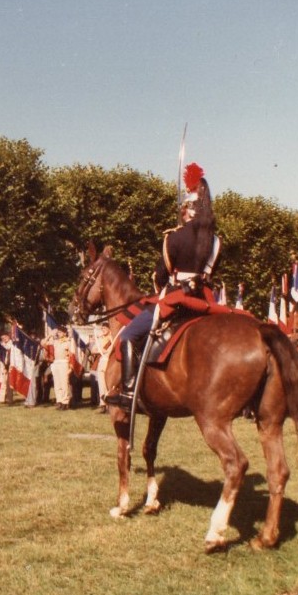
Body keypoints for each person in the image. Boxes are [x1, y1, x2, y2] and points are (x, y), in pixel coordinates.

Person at [105, 162, 218, 409]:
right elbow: (209, 274)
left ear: (187, 209)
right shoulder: (216, 242)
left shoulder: (175, 237)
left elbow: (159, 277)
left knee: (128, 336)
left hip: (176, 299)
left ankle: (128, 391)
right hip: (204, 301)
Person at [42, 327, 72, 410]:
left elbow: (72, 355)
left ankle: (65, 402)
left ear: (65, 333)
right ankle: (59, 401)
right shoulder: (55, 341)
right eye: (58, 332)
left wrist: (70, 367)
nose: (59, 333)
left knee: (64, 383)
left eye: (61, 332)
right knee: (57, 384)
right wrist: (49, 335)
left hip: (64, 362)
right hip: (56, 362)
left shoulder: (68, 342)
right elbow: (43, 343)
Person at [91, 324, 113, 413]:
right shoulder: (100, 339)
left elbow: (113, 346)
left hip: (109, 361)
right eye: (102, 328)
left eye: (105, 328)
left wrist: (107, 350)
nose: (103, 330)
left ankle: (109, 405)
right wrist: (100, 351)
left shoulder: (112, 338)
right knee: (101, 383)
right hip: (102, 361)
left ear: (109, 329)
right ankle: (103, 404)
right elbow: (93, 350)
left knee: (108, 384)